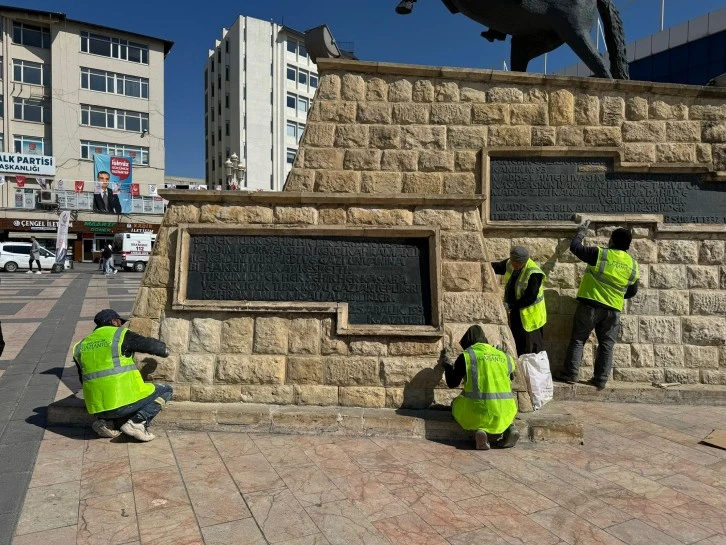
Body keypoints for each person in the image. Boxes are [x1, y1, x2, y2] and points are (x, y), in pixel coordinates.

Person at [556, 220, 639, 390]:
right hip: (613, 310)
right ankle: (600, 379)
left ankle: (571, 374)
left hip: (591, 305)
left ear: (612, 241)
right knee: (607, 345)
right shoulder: (633, 265)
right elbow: (631, 292)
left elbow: (575, 248)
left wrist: (581, 233)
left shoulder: (600, 254)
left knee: (579, 339)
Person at [73, 309, 172, 441]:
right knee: (165, 390)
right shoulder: (119, 335)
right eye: (120, 322)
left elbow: (83, 378)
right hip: (121, 404)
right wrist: (164, 350)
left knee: (106, 395)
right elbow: (149, 344)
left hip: (95, 408)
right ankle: (137, 423)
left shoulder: (80, 345)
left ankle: (105, 423)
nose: (121, 325)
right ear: (114, 322)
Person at [439, 325, 520, 450]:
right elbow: (512, 378)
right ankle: (510, 427)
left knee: (456, 404)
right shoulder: (504, 356)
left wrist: (447, 365)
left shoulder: (467, 356)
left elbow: (452, 383)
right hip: (506, 409)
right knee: (503, 415)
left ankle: (481, 431)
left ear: (468, 342)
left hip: (477, 411)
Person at [491, 246, 547, 356]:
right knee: (518, 347)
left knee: (532, 352)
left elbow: (530, 297)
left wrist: (511, 305)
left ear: (524, 261)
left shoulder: (534, 273)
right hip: (517, 314)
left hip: (531, 318)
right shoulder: (510, 263)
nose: (515, 265)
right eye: (513, 261)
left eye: (518, 262)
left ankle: (533, 373)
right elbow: (496, 267)